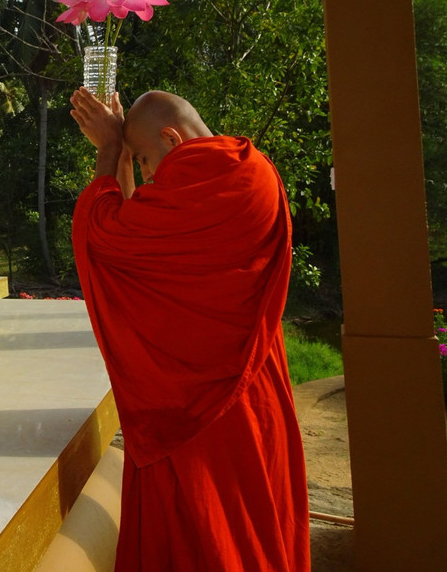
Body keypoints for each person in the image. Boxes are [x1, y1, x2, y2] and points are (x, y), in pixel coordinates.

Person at [68, 87, 310, 571]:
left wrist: (109, 150)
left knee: (208, 534)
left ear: (173, 138)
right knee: (259, 519)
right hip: (256, 386)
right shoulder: (256, 170)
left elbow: (103, 235)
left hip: (198, 412)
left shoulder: (188, 190)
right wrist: (125, 156)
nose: (149, 173)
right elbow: (140, 237)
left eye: (146, 159)